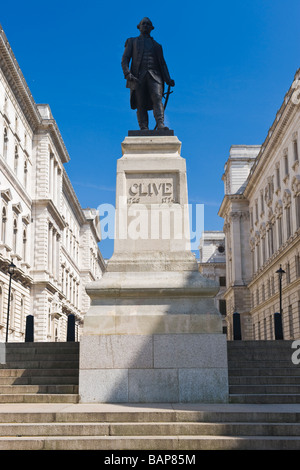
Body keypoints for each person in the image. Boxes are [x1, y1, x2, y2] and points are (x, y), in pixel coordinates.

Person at [121, 17, 175, 130]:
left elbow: (163, 64)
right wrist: (127, 74)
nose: (145, 25)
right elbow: (125, 59)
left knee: (157, 98)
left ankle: (160, 124)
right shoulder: (132, 41)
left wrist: (168, 79)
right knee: (140, 103)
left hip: (155, 76)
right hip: (137, 77)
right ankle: (143, 127)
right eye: (143, 24)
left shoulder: (157, 46)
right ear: (139, 27)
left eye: (148, 24)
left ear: (151, 28)